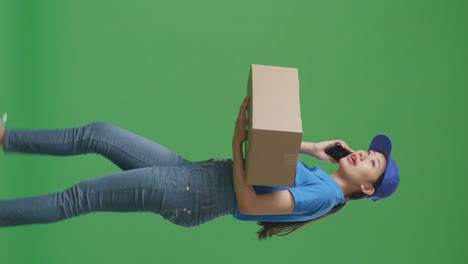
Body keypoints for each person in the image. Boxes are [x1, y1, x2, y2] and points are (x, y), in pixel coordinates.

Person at [0, 97, 400, 239]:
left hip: (192, 194)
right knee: (98, 134)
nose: (364, 154)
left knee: (78, 197)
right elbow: (270, 154)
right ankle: (6, 139)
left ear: (368, 188)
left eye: (373, 162)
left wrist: (234, 140)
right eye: (368, 150)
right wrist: (314, 147)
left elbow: (251, 203)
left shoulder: (325, 196)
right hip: (193, 175)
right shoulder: (320, 179)